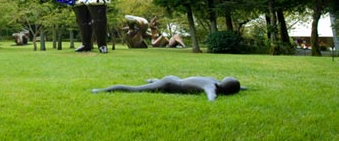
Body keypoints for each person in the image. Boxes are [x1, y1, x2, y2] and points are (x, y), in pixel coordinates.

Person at [91, 76, 245, 101]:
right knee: (135, 89)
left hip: (174, 79)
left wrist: (243, 88)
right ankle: (101, 90)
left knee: (153, 84)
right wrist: (212, 101)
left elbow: (241, 87)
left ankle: (154, 80)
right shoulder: (211, 85)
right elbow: (211, 95)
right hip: (169, 84)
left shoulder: (213, 81)